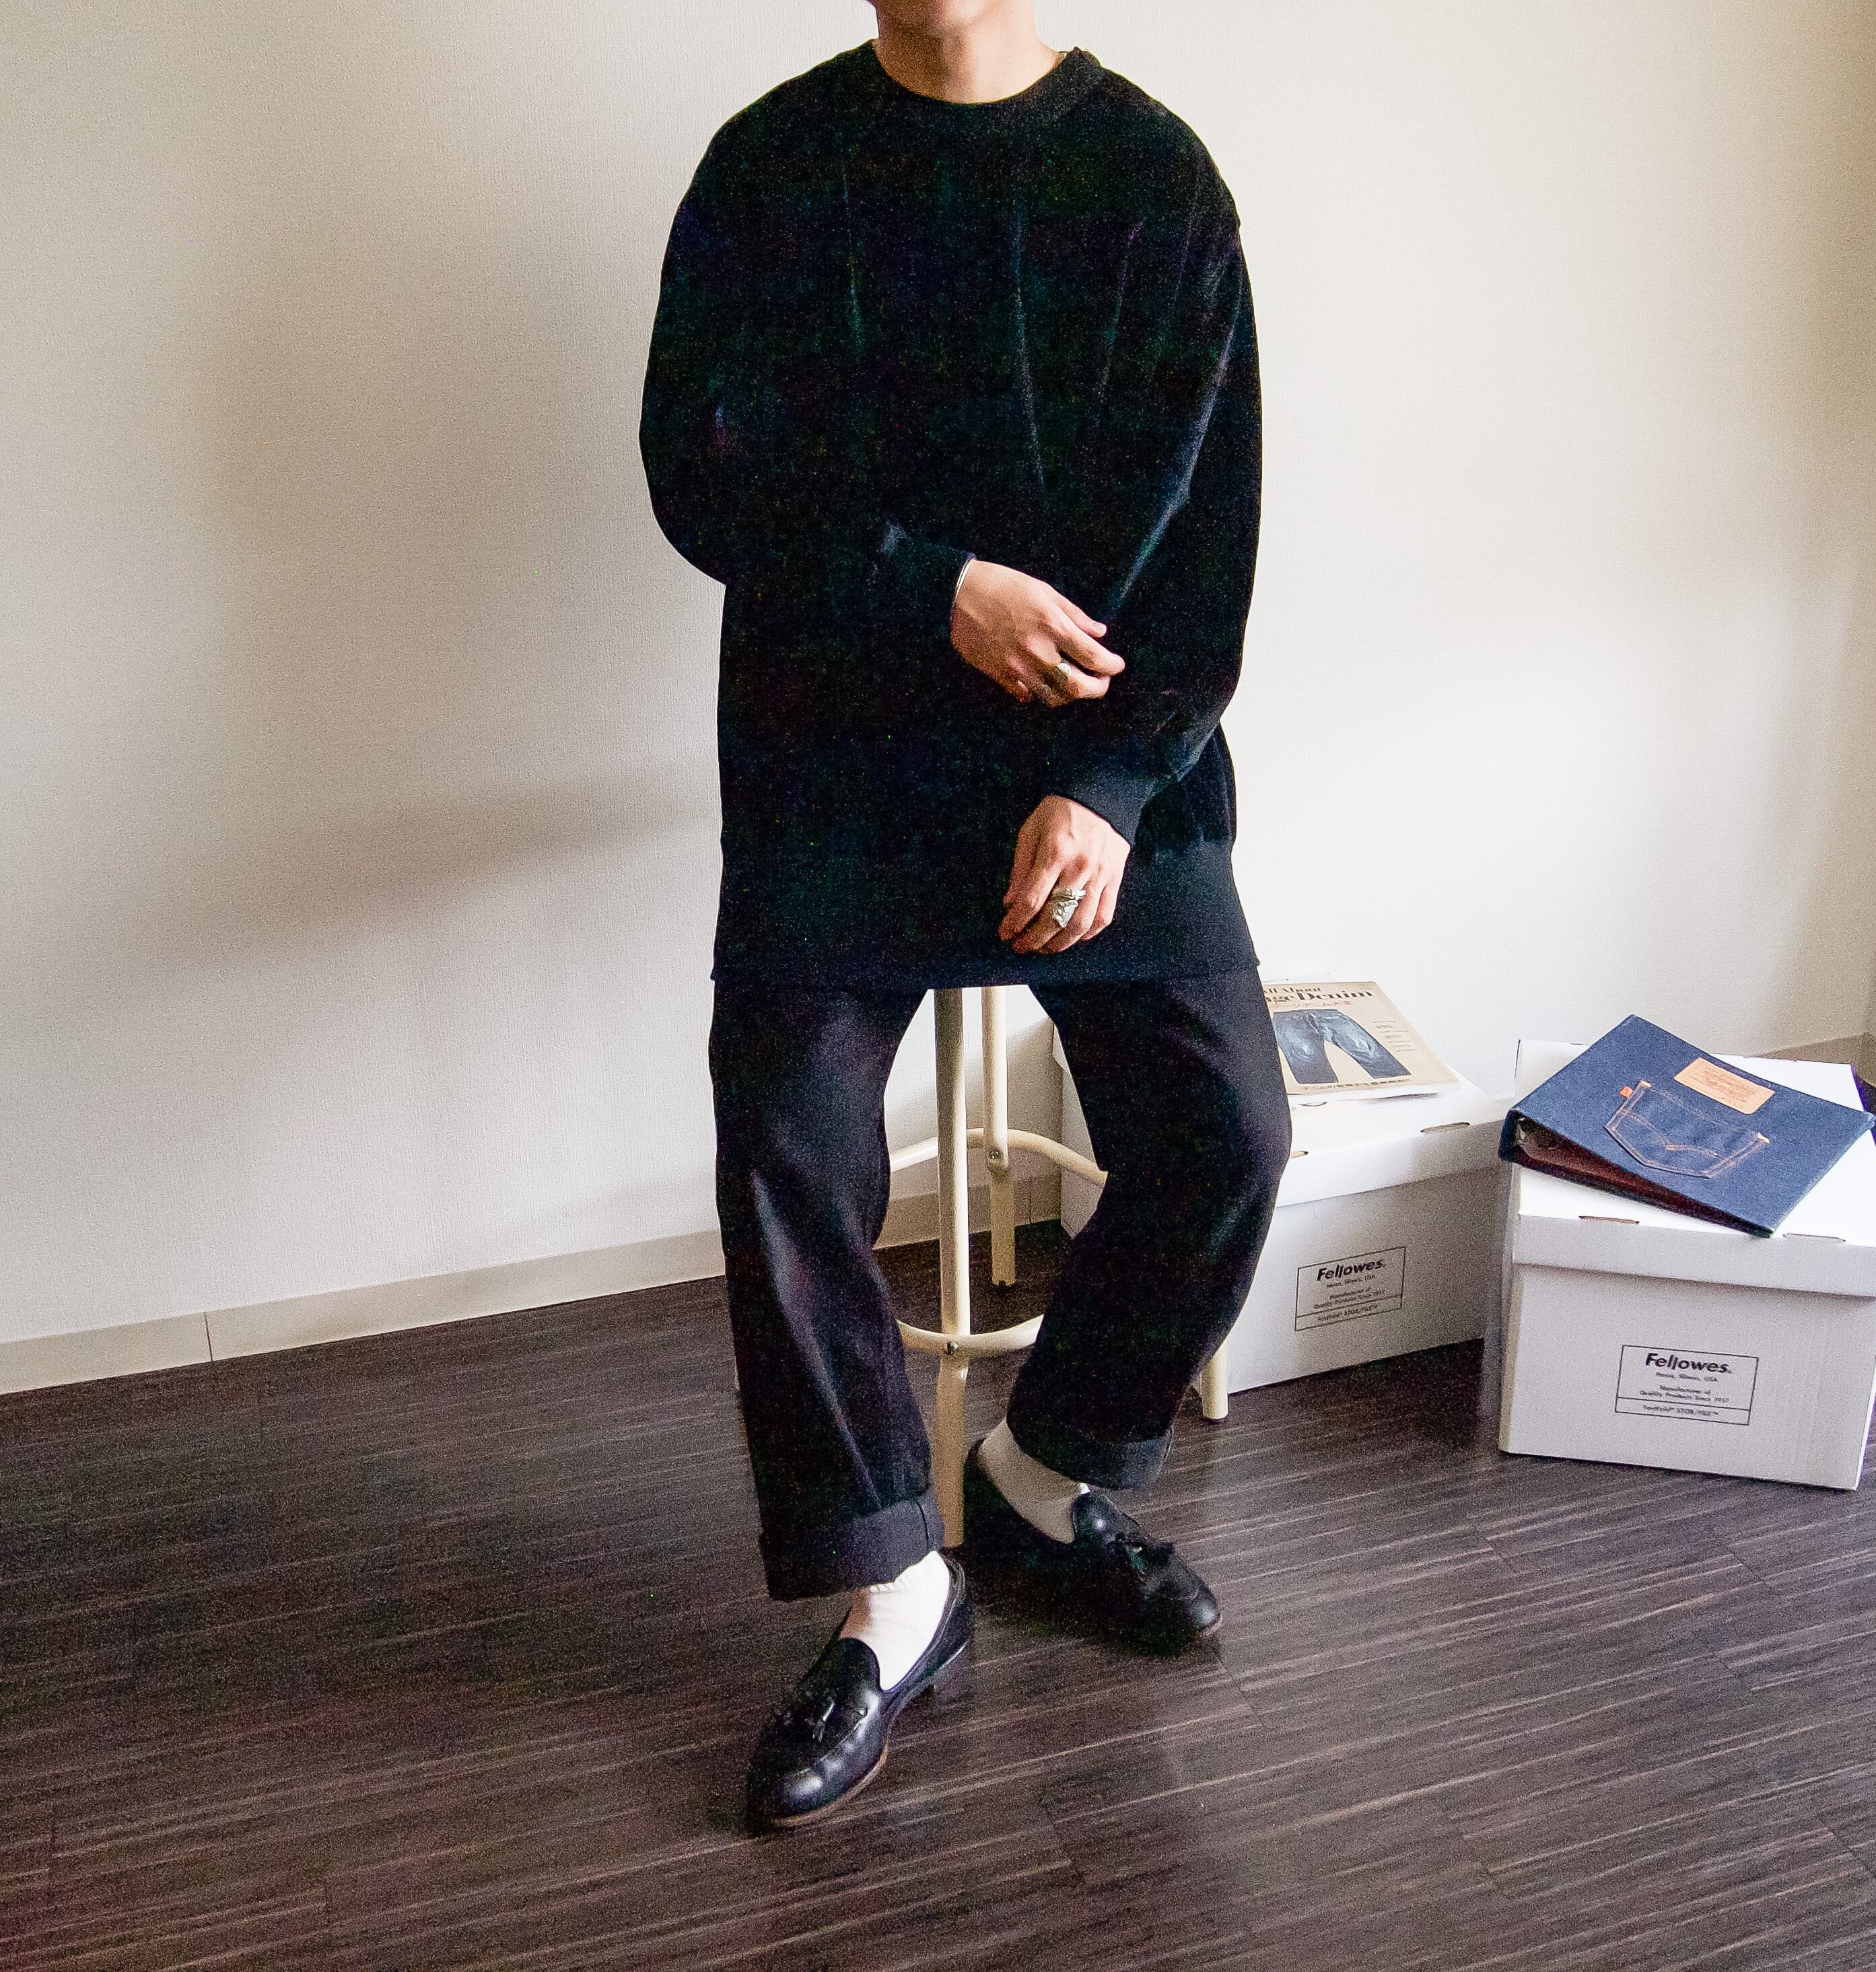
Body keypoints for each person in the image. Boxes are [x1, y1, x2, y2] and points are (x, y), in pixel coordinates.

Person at [641, 0, 1290, 1832]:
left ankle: (1040, 1476)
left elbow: (1212, 546)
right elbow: (695, 471)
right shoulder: (770, 167)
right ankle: (893, 1589)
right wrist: (930, 587)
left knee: (1228, 1128)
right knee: (786, 1137)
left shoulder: (1156, 184)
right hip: (834, 759)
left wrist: (1112, 787)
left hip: (1098, 753)